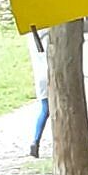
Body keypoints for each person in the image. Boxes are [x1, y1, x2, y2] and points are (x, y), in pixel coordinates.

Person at [27, 27, 49, 158]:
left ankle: (36, 141)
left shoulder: (31, 35)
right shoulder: (47, 31)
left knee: (45, 109)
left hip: (39, 74)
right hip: (49, 71)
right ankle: (36, 141)